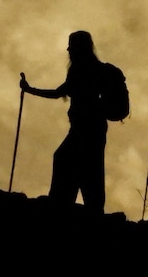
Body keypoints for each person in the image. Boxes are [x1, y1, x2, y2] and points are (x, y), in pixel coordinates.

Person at [19, 30, 112, 215]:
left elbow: (58, 93)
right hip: (89, 129)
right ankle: (82, 210)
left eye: (72, 46)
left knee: (71, 162)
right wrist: (30, 90)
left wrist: (30, 90)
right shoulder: (85, 69)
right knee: (88, 170)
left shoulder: (83, 70)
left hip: (86, 130)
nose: (68, 50)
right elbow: (61, 92)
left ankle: (63, 207)